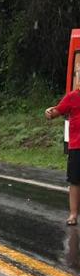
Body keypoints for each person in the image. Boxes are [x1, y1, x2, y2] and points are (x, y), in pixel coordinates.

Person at [46, 84, 80, 224]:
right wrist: (48, 111)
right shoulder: (72, 97)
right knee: (75, 180)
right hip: (77, 146)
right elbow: (54, 113)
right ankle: (73, 215)